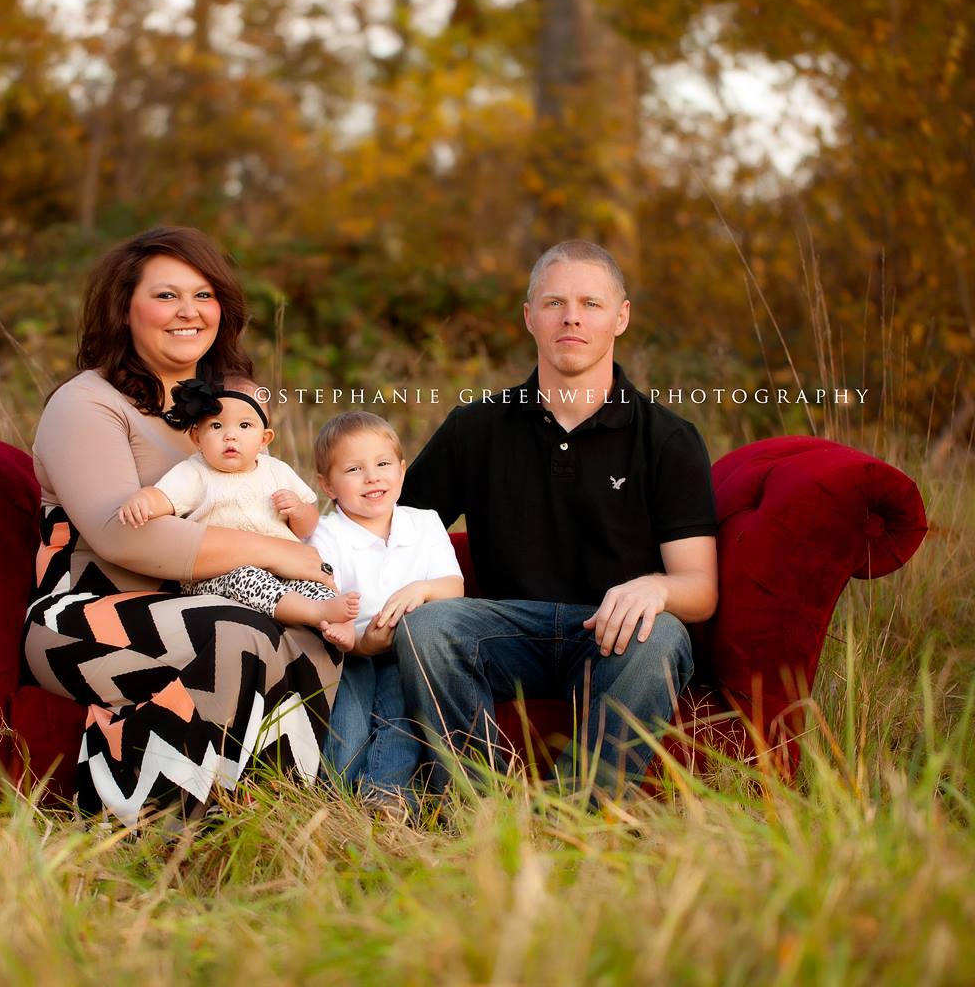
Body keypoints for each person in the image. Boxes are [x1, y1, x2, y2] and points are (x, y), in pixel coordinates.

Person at [22, 226, 341, 826]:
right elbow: (122, 534)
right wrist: (272, 557)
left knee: (317, 624)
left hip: (203, 597)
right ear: (124, 309)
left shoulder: (228, 411)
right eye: (166, 296)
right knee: (232, 632)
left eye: (204, 294)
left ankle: (288, 827)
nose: (189, 312)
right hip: (82, 615)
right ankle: (159, 832)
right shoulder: (85, 404)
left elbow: (274, 501)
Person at [395, 239, 720, 797]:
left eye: (591, 304)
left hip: (614, 637)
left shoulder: (667, 438)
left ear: (621, 317)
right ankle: (481, 806)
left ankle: (575, 812)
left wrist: (657, 588)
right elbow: (391, 530)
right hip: (503, 632)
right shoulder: (477, 427)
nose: (572, 317)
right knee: (427, 627)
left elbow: (700, 588)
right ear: (529, 317)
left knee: (663, 636)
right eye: (554, 303)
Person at [116, 377, 361, 634]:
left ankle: (339, 625)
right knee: (249, 579)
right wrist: (143, 499)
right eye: (217, 426)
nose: (230, 435)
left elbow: (307, 527)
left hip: (283, 568)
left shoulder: (277, 471)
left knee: (313, 584)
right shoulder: (195, 472)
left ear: (264, 438)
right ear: (197, 437)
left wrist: (299, 510)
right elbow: (164, 498)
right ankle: (314, 613)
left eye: (245, 425)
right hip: (217, 574)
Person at [305, 411, 464, 799]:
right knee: (350, 725)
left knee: (401, 714)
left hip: (410, 650)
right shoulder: (324, 535)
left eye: (382, 464)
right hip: (347, 652)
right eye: (354, 469)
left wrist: (422, 589)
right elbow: (323, 605)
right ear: (328, 485)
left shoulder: (424, 523)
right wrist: (361, 643)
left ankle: (386, 796)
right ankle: (332, 797)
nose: (372, 477)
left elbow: (454, 588)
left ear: (403, 470)